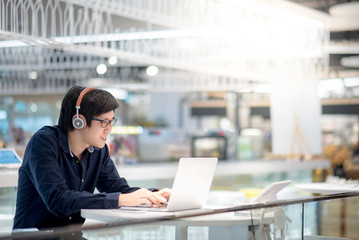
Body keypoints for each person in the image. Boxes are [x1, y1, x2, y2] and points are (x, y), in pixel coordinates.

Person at [13, 86, 171, 230]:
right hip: (34, 236)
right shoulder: (44, 142)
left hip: (72, 236)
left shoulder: (97, 150)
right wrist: (120, 199)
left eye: (111, 122)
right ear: (79, 121)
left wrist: (154, 195)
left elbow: (117, 189)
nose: (109, 129)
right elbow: (58, 199)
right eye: (104, 122)